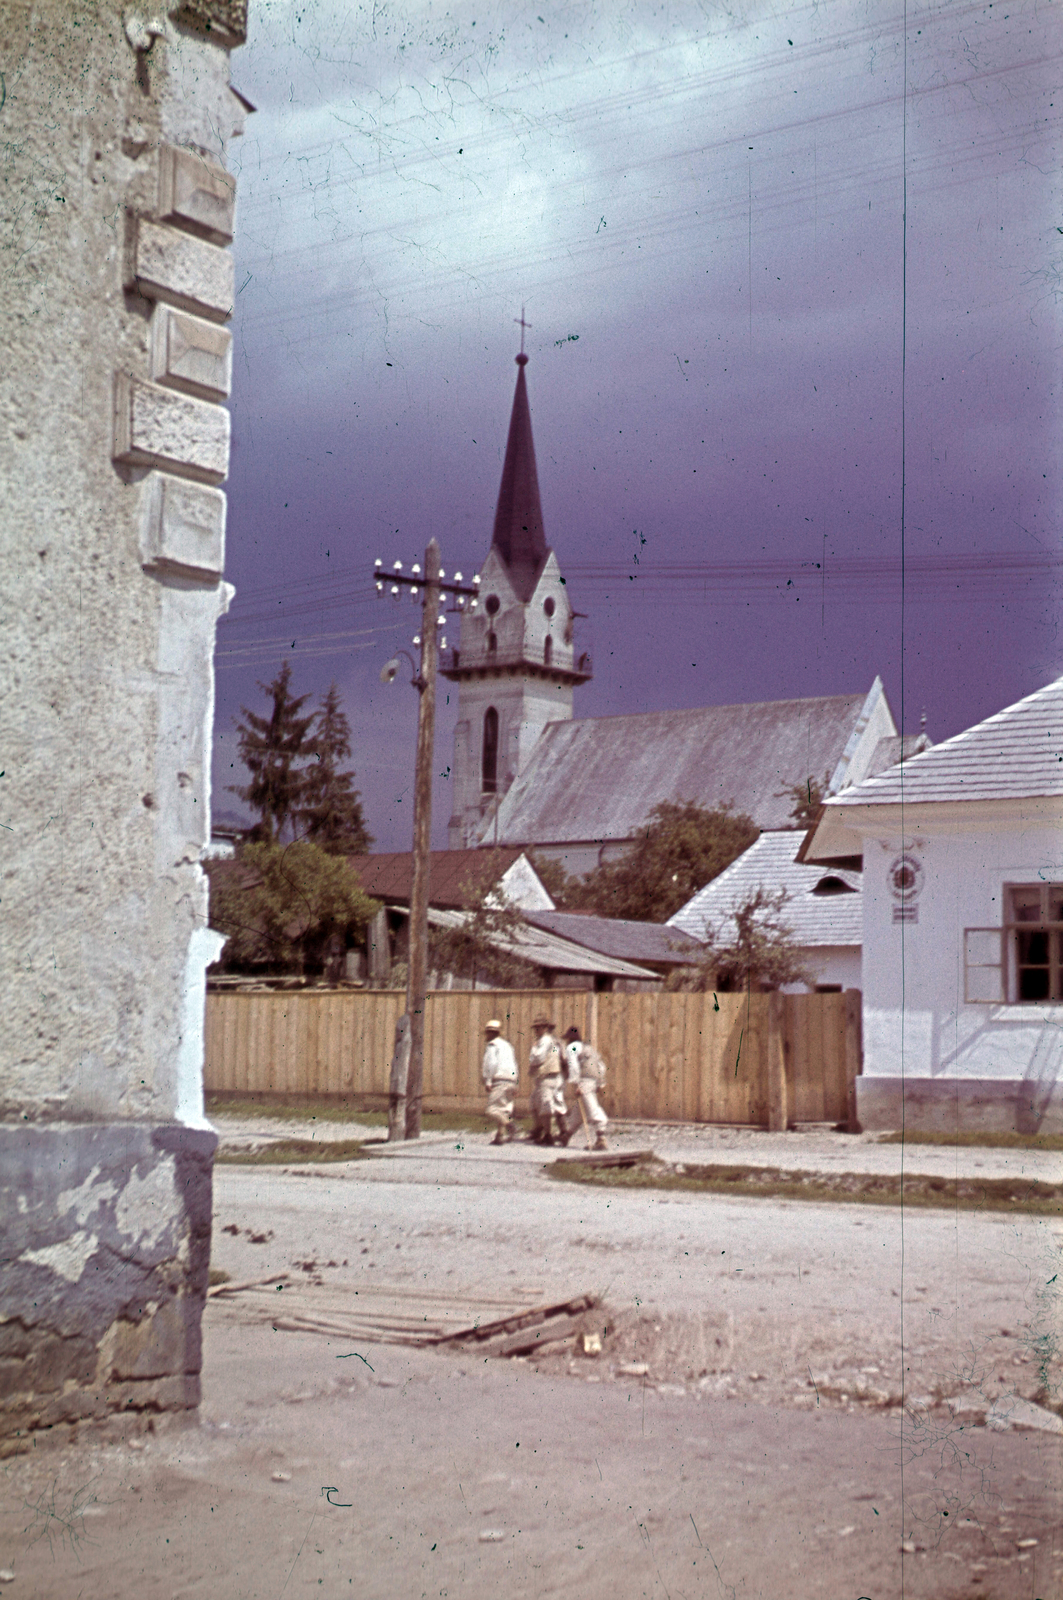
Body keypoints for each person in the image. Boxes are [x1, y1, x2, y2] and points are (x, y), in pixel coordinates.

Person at [559, 1025, 609, 1151]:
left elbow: (573, 1066)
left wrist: (576, 1083)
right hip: (594, 1080)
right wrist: (600, 1084)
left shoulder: (572, 1048)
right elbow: (601, 1066)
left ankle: (601, 1138)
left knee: (592, 1108)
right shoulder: (590, 1049)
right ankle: (567, 1135)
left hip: (584, 1080)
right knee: (580, 1110)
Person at [528, 1015, 566, 1145]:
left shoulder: (544, 1041)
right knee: (538, 1103)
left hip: (547, 1076)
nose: (536, 1031)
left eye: (538, 1028)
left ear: (544, 1028)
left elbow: (538, 1058)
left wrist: (533, 1050)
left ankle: (547, 1134)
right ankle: (547, 1131)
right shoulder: (555, 1041)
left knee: (545, 1106)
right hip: (554, 1076)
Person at [481, 1019, 518, 1145]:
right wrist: (515, 1082)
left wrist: (488, 1080)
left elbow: (491, 1064)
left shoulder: (492, 1045)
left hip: (499, 1079)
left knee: (491, 1110)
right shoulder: (508, 1046)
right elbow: (514, 1063)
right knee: (503, 1109)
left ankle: (510, 1125)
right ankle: (499, 1136)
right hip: (511, 1079)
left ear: (491, 1033)